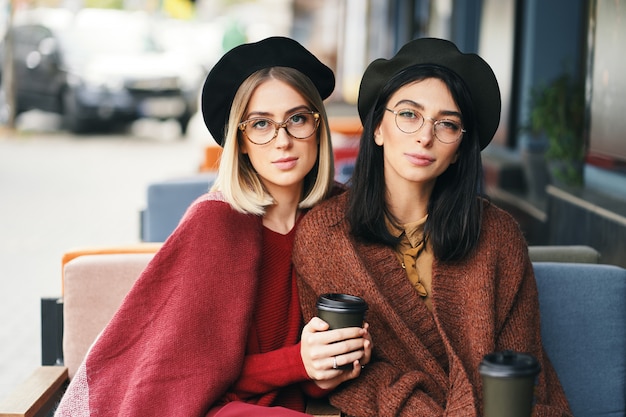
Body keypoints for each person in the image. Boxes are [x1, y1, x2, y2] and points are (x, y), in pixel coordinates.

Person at [54, 36, 371, 417]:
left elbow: (316, 367)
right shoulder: (216, 222)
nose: (282, 140)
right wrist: (297, 363)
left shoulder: (338, 217)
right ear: (239, 141)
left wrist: (337, 359)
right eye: (260, 124)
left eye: (297, 119)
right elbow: (180, 377)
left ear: (318, 127)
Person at [293, 38, 572, 416]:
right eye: (409, 114)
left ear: (459, 148)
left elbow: (520, 371)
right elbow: (353, 376)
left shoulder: (498, 236)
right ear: (377, 127)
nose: (425, 135)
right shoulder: (325, 236)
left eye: (448, 124)